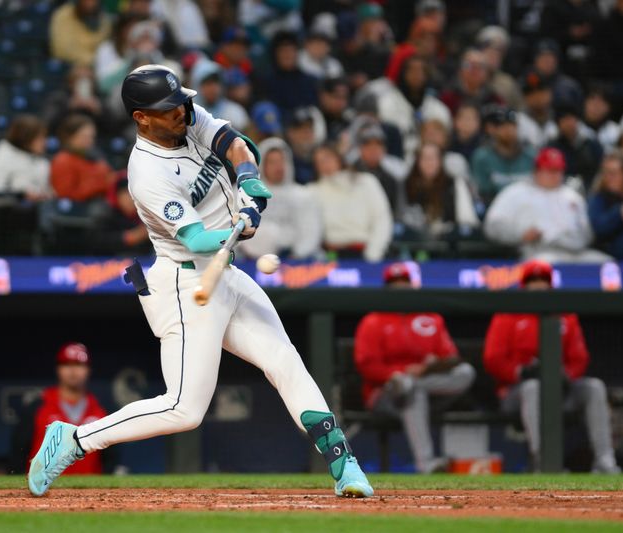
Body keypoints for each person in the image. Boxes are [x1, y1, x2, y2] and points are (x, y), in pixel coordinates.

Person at [28, 65, 373, 498]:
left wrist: (248, 178)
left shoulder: (187, 118)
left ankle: (344, 464)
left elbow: (236, 144)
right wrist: (243, 226)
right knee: (183, 409)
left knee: (284, 361)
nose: (183, 111)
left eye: (181, 102)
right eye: (169, 108)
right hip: (186, 285)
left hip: (225, 275)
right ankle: (75, 439)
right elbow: (198, 240)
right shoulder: (146, 174)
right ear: (142, 118)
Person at [483, 260, 621, 474]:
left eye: (542, 280)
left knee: (594, 387)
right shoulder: (508, 312)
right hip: (517, 392)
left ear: (550, 284)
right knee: (533, 388)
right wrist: (521, 371)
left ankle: (605, 461)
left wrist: (564, 374)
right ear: (523, 285)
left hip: (560, 389)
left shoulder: (565, 315)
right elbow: (493, 358)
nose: (538, 285)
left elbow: (579, 358)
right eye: (532, 280)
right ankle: (544, 462)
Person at [354, 262, 476, 473]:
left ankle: (428, 464)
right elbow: (367, 365)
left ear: (414, 286)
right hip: (386, 392)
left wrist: (430, 367)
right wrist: (399, 373)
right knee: (409, 386)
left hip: (429, 386)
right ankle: (426, 464)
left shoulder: (431, 318)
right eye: (395, 285)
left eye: (405, 284)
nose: (400, 289)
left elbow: (452, 359)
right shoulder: (373, 320)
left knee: (464, 373)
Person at [485, 147, 608, 263]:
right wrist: (520, 234)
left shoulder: (573, 197)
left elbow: (587, 233)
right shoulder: (515, 192)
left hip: (576, 252)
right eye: (550, 170)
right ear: (537, 171)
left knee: (607, 264)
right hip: (538, 250)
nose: (555, 175)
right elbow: (493, 226)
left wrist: (573, 238)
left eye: (558, 170)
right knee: (545, 262)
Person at [28, 343, 108, 475]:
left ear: (88, 370)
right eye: (66, 364)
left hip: (90, 491)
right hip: (44, 486)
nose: (72, 370)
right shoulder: (39, 405)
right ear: (58, 369)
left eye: (78, 365)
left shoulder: (99, 411)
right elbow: (19, 450)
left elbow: (109, 459)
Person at [239, 137, 322, 260]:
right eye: (272, 162)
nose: (278, 167)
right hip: (249, 260)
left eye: (281, 161)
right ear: (261, 165)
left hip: (293, 260)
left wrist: (296, 256)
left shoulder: (303, 195)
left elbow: (311, 232)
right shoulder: (244, 193)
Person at [309, 143, 393, 262]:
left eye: (327, 158)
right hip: (329, 257)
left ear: (338, 157)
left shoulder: (366, 182)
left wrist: (373, 255)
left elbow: (382, 220)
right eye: (319, 161)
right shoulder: (312, 191)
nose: (325, 164)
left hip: (364, 253)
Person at [403, 143, 479, 240]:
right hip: (415, 239)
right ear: (417, 161)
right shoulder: (407, 184)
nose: (429, 162)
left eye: (433, 158)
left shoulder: (454, 184)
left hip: (449, 241)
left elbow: (467, 219)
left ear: (440, 161)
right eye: (424, 158)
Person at [0, 115, 51, 207]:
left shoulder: (43, 162)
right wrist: (21, 195)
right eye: (40, 138)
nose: (45, 142)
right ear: (26, 138)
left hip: (38, 213)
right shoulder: (3, 158)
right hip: (9, 215)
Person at [471, 106, 536, 206]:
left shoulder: (531, 155)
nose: (508, 130)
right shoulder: (482, 157)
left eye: (512, 125)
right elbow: (482, 193)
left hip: (527, 209)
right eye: (502, 126)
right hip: (496, 210)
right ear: (493, 130)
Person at [50, 114, 116, 202]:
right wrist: (101, 184)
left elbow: (110, 178)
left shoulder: (96, 157)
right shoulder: (62, 160)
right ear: (69, 137)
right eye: (84, 137)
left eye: (91, 137)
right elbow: (65, 194)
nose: (89, 141)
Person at [348, 124, 407, 215]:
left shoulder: (391, 180)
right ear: (360, 149)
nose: (373, 150)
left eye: (378, 145)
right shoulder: (348, 174)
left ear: (384, 150)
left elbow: (397, 212)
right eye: (368, 145)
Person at [260, 31, 319, 113]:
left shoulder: (310, 81)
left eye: (291, 50)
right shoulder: (265, 82)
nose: (287, 55)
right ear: (275, 54)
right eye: (283, 51)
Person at [548, 104, 603, 189]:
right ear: (558, 123)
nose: (568, 123)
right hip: (560, 189)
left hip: (589, 188)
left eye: (571, 118)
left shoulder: (590, 143)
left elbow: (600, 170)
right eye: (564, 119)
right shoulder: (552, 147)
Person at [189, 58, 249, 131]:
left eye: (216, 82)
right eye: (207, 83)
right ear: (196, 85)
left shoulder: (235, 111)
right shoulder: (187, 113)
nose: (213, 88)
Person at [50, 0, 112, 67]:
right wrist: (93, 60)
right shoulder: (63, 15)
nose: (89, 3)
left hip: (101, 66)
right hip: (69, 66)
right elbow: (62, 50)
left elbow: (106, 46)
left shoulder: (104, 19)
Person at [579, 86, 621, 153]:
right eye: (592, 99)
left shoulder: (616, 132)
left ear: (609, 107)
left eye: (601, 101)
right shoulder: (574, 129)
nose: (596, 106)